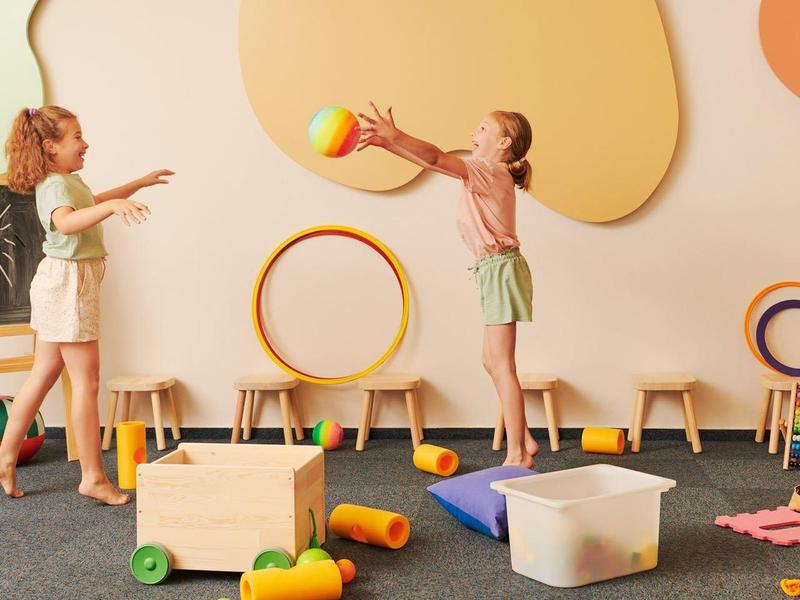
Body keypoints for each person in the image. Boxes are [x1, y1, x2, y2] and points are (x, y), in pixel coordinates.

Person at [0, 105, 173, 502]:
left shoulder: (66, 180)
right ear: (50, 146)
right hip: (69, 285)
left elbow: (95, 200)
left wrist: (137, 184)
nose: (85, 143)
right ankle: (92, 477)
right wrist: (111, 208)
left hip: (61, 281)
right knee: (86, 381)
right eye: (76, 137)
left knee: (43, 373)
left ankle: (5, 457)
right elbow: (64, 223)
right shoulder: (57, 187)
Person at [358, 103, 536, 467]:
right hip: (492, 269)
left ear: (503, 142)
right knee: (490, 361)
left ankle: (518, 454)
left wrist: (396, 135)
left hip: (500, 269)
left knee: (502, 364)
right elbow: (433, 163)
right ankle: (526, 438)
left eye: (482, 129)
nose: (474, 134)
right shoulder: (484, 172)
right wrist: (388, 144)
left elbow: (437, 158)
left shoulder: (492, 171)